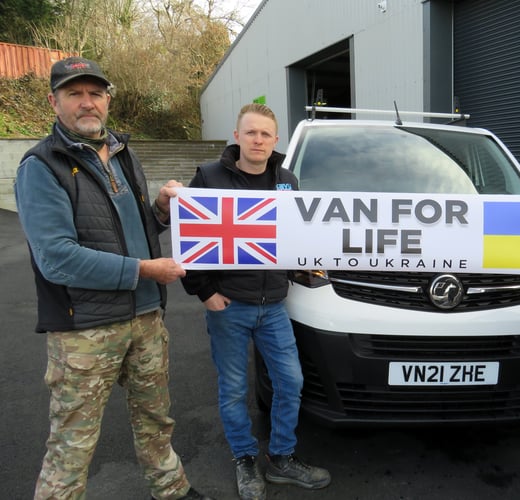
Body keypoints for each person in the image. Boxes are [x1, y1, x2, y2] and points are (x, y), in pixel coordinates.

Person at [14, 57, 212, 500]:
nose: (87, 103)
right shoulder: (41, 167)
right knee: (72, 443)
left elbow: (137, 228)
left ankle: (171, 489)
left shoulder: (123, 153)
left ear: (107, 99)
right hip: (85, 330)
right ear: (54, 101)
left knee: (156, 421)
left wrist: (161, 209)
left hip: (145, 319)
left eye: (95, 93)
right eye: (74, 94)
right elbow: (57, 259)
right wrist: (145, 270)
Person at [180, 103, 331, 500]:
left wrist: (311, 268)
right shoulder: (209, 178)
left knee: (291, 381)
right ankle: (245, 459)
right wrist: (205, 292)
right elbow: (189, 240)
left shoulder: (286, 180)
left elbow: (297, 238)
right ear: (237, 135)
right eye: (251, 133)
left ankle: (281, 458)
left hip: (274, 306)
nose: (258, 140)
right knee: (232, 389)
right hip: (228, 306)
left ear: (275, 140)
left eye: (265, 134)